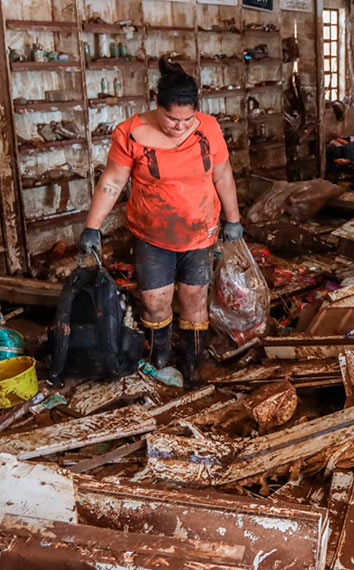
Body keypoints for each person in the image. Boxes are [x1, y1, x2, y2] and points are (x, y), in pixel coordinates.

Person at [77, 58, 242, 386]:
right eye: (171, 118)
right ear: (156, 104)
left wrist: (233, 219)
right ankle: (161, 357)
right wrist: (92, 226)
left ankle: (194, 364)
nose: (180, 126)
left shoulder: (208, 128)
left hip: (200, 231)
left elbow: (222, 174)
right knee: (154, 301)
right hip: (152, 234)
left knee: (194, 298)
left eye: (187, 118)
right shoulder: (130, 133)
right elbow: (112, 181)